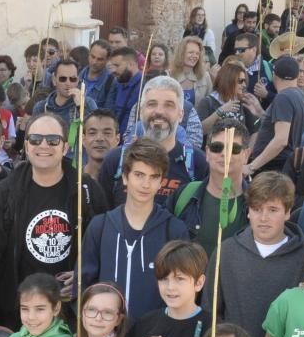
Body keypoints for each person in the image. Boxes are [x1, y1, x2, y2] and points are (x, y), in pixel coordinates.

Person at [0, 113, 107, 329]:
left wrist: (82, 276)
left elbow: (104, 246)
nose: (44, 145)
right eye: (36, 139)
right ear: (27, 146)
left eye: (53, 140)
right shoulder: (7, 191)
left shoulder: (85, 190)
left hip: (70, 314)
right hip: (20, 313)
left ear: (65, 147)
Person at [82, 138, 190, 321]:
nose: (146, 185)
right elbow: (83, 285)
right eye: (139, 175)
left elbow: (182, 293)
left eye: (153, 177)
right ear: (125, 177)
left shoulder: (174, 231)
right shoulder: (100, 226)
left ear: (162, 182)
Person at [203, 172, 304, 337]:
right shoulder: (227, 251)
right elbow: (210, 310)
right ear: (248, 211)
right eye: (257, 209)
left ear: (288, 212)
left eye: (273, 210)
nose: (263, 218)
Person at [106, 76, 209, 206]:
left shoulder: (197, 163)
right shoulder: (116, 160)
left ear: (181, 114)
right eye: (152, 104)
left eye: (169, 105)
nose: (159, 111)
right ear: (141, 111)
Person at [173, 119, 250, 257]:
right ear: (207, 153)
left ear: (246, 155)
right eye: (217, 147)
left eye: (234, 149)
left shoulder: (257, 204)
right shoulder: (184, 196)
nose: (225, 154)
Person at [248, 56, 304, 175]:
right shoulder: (302, 96)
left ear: (274, 75)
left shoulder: (284, 97)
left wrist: (252, 167)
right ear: (296, 75)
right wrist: (261, 113)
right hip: (285, 164)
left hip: (273, 166)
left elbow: (281, 140)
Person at [196, 59, 263, 135]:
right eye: (241, 81)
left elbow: (255, 132)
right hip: (215, 146)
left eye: (244, 81)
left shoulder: (243, 102)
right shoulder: (207, 102)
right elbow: (199, 131)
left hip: (239, 146)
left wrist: (258, 112)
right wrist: (220, 111)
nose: (244, 85)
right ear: (228, 80)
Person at [32, 57, 98, 133]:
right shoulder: (41, 107)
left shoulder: (88, 103)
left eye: (72, 79)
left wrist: (81, 107)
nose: (68, 83)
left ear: (77, 80)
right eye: (63, 79)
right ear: (54, 80)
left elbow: (94, 131)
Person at [171, 36, 213, 107]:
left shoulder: (205, 76)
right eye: (191, 52)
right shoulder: (169, 75)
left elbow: (210, 104)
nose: (194, 56)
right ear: (181, 53)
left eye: (197, 53)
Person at [110, 46, 143, 133]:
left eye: (117, 65)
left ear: (131, 65)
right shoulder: (117, 83)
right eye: (112, 66)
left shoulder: (145, 86)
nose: (113, 70)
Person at [80, 39, 115, 107]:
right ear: (89, 54)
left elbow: (108, 112)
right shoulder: (78, 73)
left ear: (107, 60)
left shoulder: (111, 82)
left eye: (100, 59)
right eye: (92, 57)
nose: (94, 62)